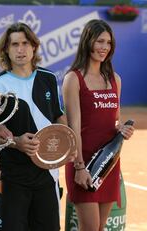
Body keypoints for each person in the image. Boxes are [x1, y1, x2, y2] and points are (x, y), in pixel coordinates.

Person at [0, 22, 65, 231]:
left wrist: (67, 145)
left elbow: (58, 117)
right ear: (6, 50)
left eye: (25, 43)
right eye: (14, 44)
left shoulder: (48, 79)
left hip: (47, 175)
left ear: (33, 47)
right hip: (13, 176)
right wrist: (16, 143)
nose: (20, 49)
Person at [62, 19, 134, 231]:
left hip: (107, 163)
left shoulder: (115, 79)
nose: (104, 47)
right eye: (99, 41)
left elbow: (114, 120)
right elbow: (73, 127)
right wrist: (79, 166)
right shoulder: (73, 79)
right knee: (90, 228)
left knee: (100, 228)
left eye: (108, 43)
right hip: (83, 163)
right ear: (87, 42)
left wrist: (122, 129)